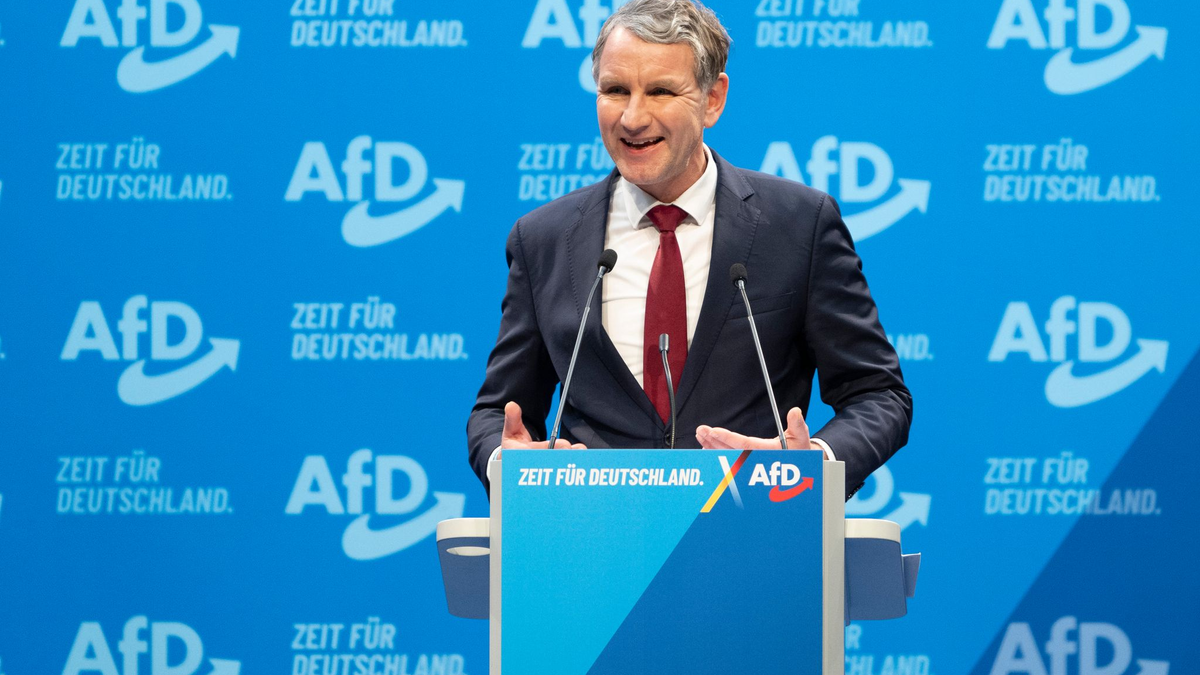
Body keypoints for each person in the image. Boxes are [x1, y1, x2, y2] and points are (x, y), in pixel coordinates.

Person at [467, 0, 911, 499]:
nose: (633, 117)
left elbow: (878, 394)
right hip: (594, 531)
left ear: (712, 99)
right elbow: (498, 411)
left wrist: (812, 466)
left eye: (660, 91)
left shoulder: (799, 225)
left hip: (751, 521)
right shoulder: (544, 238)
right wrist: (506, 460)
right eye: (615, 90)